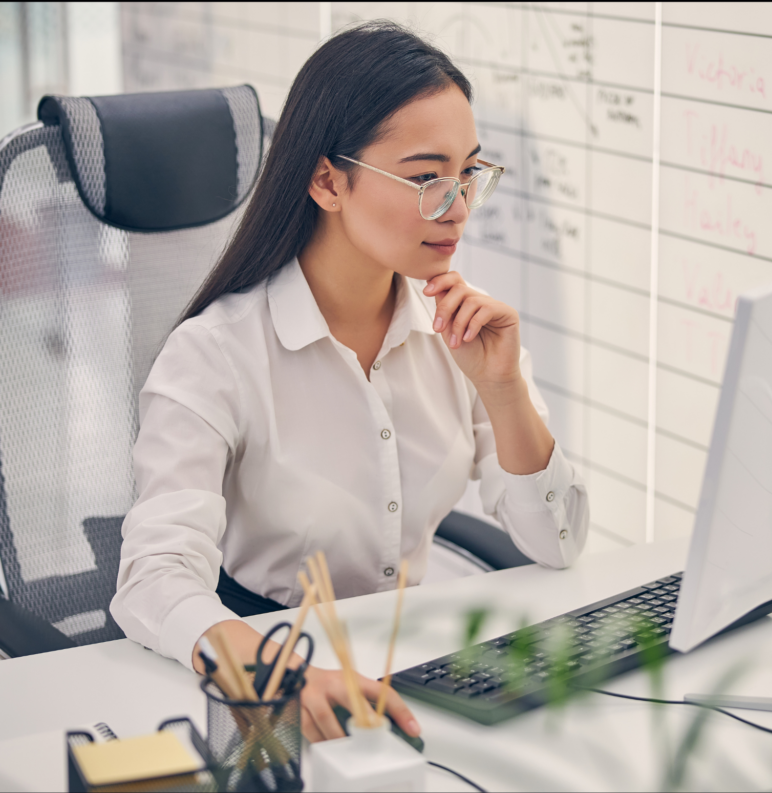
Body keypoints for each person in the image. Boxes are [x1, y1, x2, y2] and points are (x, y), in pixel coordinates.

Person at [110, 21, 589, 742]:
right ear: (327, 180)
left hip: (414, 674)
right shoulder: (214, 354)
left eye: (468, 173)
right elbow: (152, 578)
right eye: (426, 177)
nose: (456, 206)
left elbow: (557, 543)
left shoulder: (460, 333)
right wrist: (280, 674)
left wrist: (503, 390)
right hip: (269, 693)